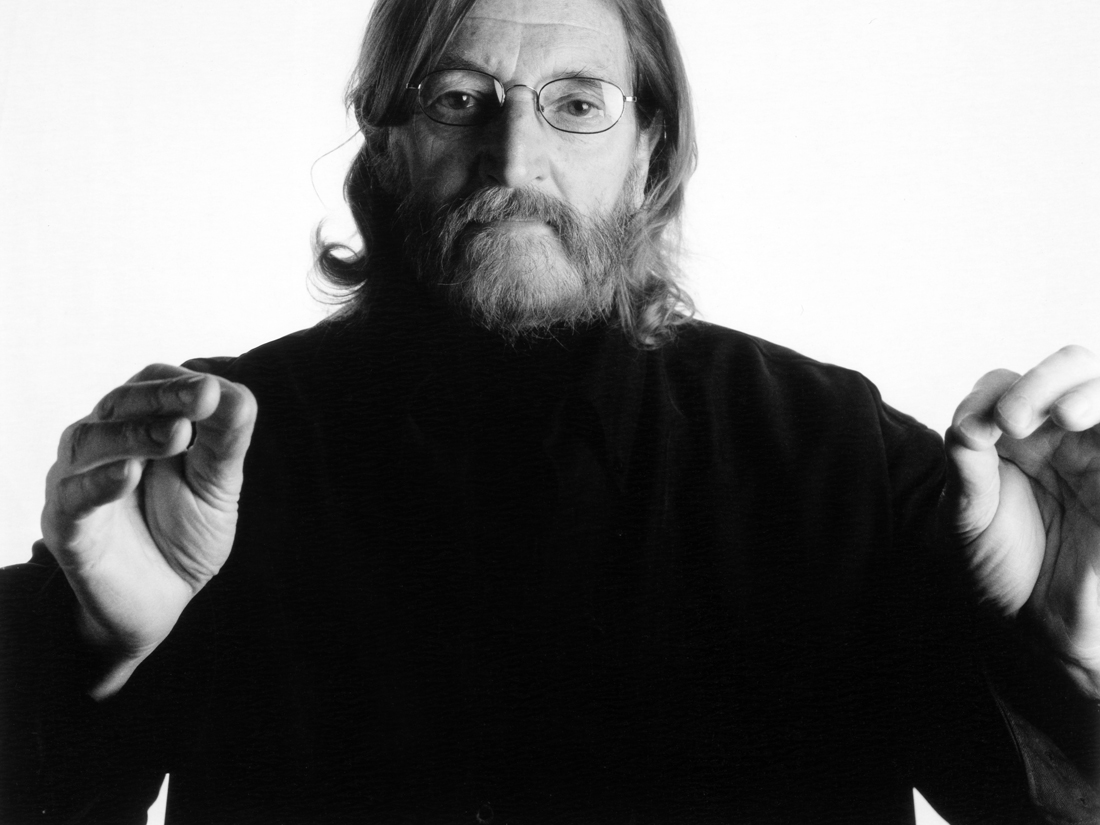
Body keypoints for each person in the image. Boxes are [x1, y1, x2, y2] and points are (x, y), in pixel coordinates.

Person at [2, 0, 1099, 822]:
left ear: (648, 150)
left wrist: (1075, 658)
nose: (513, 159)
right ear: (386, 141)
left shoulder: (832, 451)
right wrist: (88, 649)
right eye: (456, 99)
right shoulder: (211, 458)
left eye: (576, 104)